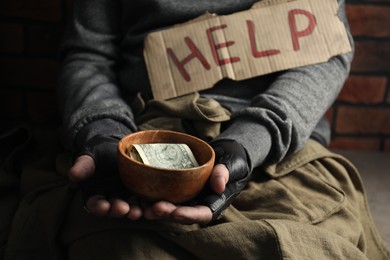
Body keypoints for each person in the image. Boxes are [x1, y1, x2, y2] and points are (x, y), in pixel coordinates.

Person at [15, 0, 385, 259]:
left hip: (275, 138)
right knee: (112, 246)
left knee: (306, 246)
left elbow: (325, 49)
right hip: (142, 129)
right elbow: (88, 54)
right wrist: (103, 129)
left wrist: (251, 139)